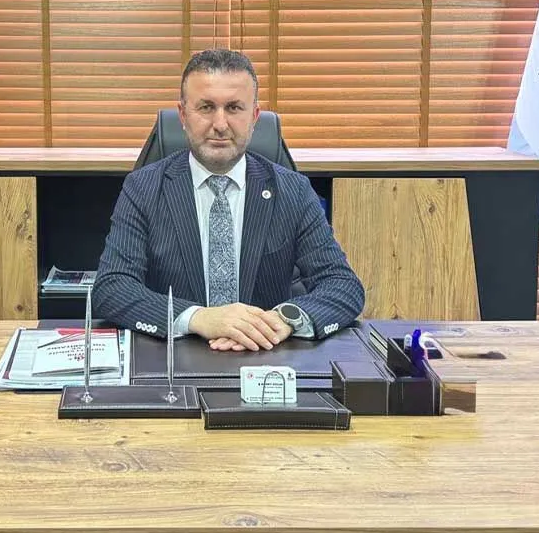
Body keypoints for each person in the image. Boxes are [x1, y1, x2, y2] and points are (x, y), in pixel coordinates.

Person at [92, 48, 365, 352]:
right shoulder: (143, 188)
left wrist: (284, 320)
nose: (220, 124)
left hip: (266, 357)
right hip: (174, 359)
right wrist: (197, 317)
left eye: (234, 108)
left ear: (254, 117)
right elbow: (112, 287)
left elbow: (343, 285)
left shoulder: (293, 191)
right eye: (206, 107)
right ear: (183, 115)